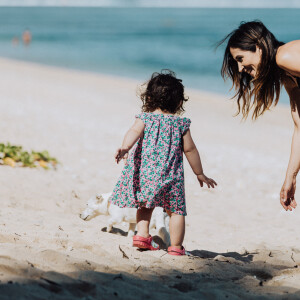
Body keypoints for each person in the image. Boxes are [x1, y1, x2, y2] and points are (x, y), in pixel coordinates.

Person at [110, 70, 217, 256]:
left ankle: (142, 236)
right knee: (176, 210)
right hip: (172, 176)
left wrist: (125, 147)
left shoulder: (145, 118)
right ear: (180, 102)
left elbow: (133, 132)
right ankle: (175, 247)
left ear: (149, 98)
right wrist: (199, 173)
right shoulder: (180, 124)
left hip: (147, 173)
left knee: (145, 205)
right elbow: (190, 149)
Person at [219, 21, 300, 212]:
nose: (239, 69)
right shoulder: (287, 76)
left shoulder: (285, 56)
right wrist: (291, 177)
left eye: (240, 59)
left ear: (258, 47)